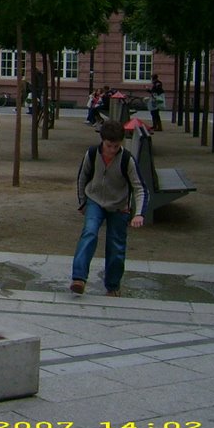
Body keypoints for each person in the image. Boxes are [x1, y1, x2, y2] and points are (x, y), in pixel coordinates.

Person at [70, 119, 147, 297]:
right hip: (94, 200)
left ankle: (113, 286)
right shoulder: (91, 153)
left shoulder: (127, 159)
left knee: (116, 245)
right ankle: (79, 278)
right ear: (102, 141)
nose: (112, 150)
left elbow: (140, 187)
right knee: (89, 232)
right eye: (109, 145)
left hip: (119, 205)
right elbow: (82, 178)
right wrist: (82, 202)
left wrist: (139, 213)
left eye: (116, 146)